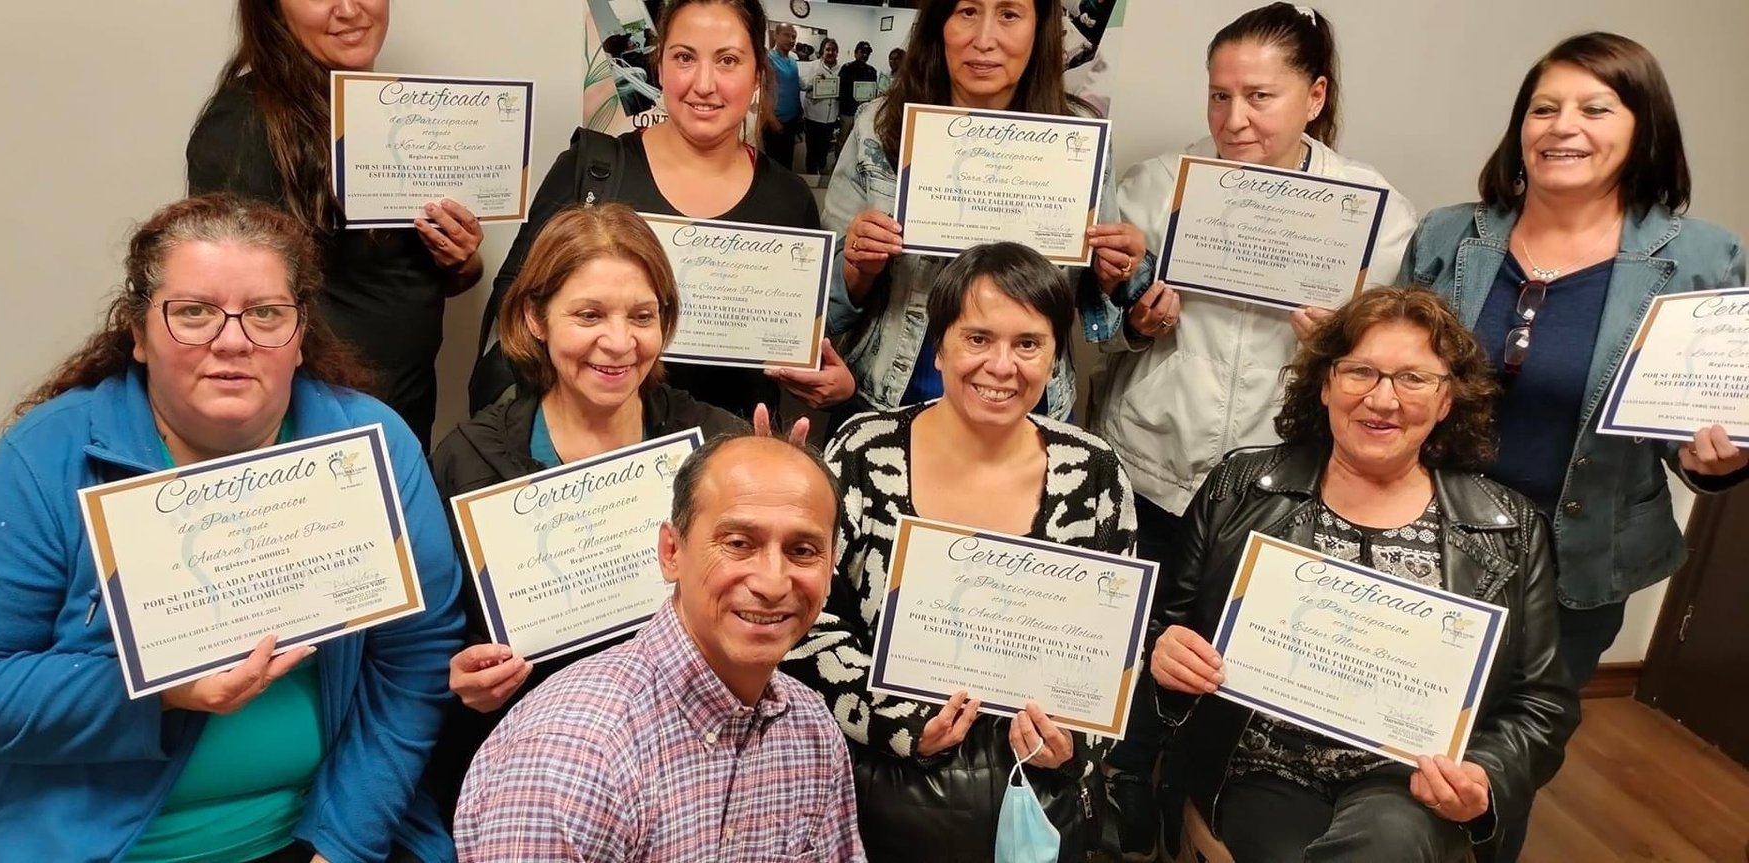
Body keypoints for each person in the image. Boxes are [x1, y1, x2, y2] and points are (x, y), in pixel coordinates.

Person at [0, 194, 465, 863]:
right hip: (102, 848)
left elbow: (415, 658)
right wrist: (163, 692)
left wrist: (345, 844)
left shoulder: (371, 443)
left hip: (315, 833)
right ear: (139, 334)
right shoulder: (48, 457)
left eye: (265, 313)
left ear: (300, 335)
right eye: (194, 312)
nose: (232, 340)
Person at [1087, 5, 1418, 852]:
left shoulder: (1377, 215)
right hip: (1153, 460)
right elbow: (1100, 332)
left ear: (1315, 97)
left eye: (1260, 97)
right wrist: (1136, 319)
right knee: (1134, 653)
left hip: (1276, 487)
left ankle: (1199, 809)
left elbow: (1397, 372)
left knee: (1231, 665)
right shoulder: (1156, 186)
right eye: (1219, 95)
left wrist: (1343, 343)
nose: (1234, 120)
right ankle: (1123, 801)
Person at [1149, 287, 1578, 863]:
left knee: (1391, 838)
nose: (1383, 399)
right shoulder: (1240, 487)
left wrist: (1485, 774)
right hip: (1258, 767)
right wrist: (1166, 653)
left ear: (1447, 399)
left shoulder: (1510, 527)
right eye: (1361, 372)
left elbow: (1541, 703)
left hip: (1410, 778)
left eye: (1413, 379)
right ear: (1325, 384)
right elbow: (1163, 627)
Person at [1402, 31, 1749, 692]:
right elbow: (1396, 380)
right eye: (1544, 108)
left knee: (1515, 740)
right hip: (1423, 541)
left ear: (1643, 129)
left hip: (1577, 568)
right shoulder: (1447, 234)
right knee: (1395, 719)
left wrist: (1714, 460)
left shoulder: (1704, 259)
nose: (1563, 126)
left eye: (1595, 109)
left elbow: (1688, 422)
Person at [783, 242, 1140, 862]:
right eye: (977, 339)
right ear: (939, 348)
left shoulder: (1094, 472)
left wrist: (1075, 745)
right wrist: (897, 723)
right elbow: (806, 618)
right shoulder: (864, 452)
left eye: (1028, 344)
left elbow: (1117, 652)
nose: (1001, 366)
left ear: (1055, 356)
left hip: (1034, 798)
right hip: (880, 790)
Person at [422, 203, 753, 808]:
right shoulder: (467, 462)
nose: (620, 342)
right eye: (589, 314)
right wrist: (457, 679)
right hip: (536, 774)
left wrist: (778, 503)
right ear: (535, 317)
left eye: (642, 316)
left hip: (693, 770)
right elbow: (429, 648)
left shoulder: (718, 446)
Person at [453, 435, 866, 862]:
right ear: (671, 552)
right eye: (738, 544)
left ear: (830, 568)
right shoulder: (575, 754)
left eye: (802, 551)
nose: (773, 583)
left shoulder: (813, 729)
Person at [469, 0, 855, 425]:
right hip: (594, 448)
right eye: (685, 57)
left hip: (731, 449)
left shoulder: (789, 199)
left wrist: (829, 384)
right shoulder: (593, 171)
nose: (704, 84)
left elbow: (797, 340)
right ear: (660, 67)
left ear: (758, 75)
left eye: (728, 60)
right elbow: (515, 303)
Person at [827, 0, 1147, 423]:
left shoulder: (1080, 136)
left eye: (1009, 14)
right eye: (967, 12)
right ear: (940, 25)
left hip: (1027, 403)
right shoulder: (879, 124)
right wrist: (858, 268)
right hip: (894, 395)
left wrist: (1114, 274)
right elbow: (824, 306)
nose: (984, 39)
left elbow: (1095, 305)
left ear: (1039, 28)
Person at [187, 0, 484, 446]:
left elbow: (393, 279)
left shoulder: (392, 115)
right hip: (314, 428)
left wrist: (459, 259)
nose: (348, 9)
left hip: (402, 410)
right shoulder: (244, 124)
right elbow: (237, 299)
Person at [764, 22, 806, 170]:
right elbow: (762, 92)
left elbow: (794, 86)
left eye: (794, 36)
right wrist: (772, 119)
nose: (791, 40)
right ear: (775, 35)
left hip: (791, 120)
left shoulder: (793, 61)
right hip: (775, 122)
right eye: (787, 35)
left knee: (788, 161)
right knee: (774, 166)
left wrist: (799, 109)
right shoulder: (768, 59)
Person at [801, 38, 844, 175]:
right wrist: (814, 80)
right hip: (814, 115)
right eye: (827, 49)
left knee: (825, 146)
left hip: (831, 117)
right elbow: (803, 85)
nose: (830, 52)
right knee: (812, 148)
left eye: (833, 50)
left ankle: (822, 166)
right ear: (822, 51)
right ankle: (811, 173)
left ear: (837, 52)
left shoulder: (841, 69)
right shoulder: (813, 66)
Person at [837, 40, 879, 150]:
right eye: (862, 52)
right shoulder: (846, 68)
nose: (865, 55)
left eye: (867, 53)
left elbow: (873, 92)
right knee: (844, 138)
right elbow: (840, 90)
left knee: (860, 139)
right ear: (855, 53)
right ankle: (838, 159)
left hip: (863, 112)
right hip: (848, 112)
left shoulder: (872, 71)